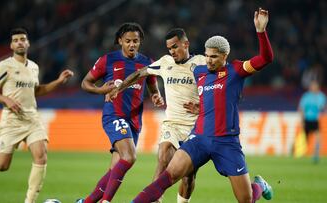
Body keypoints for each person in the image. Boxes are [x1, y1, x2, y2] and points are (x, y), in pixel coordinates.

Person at [130, 8, 274, 203]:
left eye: (214, 57)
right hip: (199, 139)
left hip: (227, 143)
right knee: (166, 177)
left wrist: (260, 32)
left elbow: (266, 58)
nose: (208, 60)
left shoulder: (237, 70)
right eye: (206, 56)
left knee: (246, 200)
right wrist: (199, 108)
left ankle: (259, 186)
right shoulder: (199, 72)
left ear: (225, 56)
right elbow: (207, 96)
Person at [0, 28, 74, 203]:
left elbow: (37, 91)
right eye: (16, 40)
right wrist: (6, 100)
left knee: (41, 155)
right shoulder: (5, 66)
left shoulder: (34, 67)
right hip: (12, 120)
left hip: (32, 118)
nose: (20, 42)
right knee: (1, 166)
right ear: (11, 45)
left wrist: (58, 81)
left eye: (23, 39)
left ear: (28, 43)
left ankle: (29, 201)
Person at [106, 28, 206, 203]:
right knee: (163, 155)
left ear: (186, 44)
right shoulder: (165, 62)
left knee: (188, 176)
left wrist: (203, 106)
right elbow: (139, 73)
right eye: (169, 48)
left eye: (175, 47)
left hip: (195, 127)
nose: (172, 52)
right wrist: (118, 89)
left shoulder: (202, 63)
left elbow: (219, 88)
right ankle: (154, 201)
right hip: (172, 124)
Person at [77, 22, 164, 203]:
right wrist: (101, 90)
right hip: (114, 115)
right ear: (120, 41)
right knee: (130, 157)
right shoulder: (108, 60)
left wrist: (156, 95)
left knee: (116, 168)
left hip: (134, 120)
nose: (132, 45)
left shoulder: (147, 62)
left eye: (135, 41)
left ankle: (86, 202)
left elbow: (152, 84)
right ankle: (106, 201)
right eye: (128, 41)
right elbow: (85, 83)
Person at [298, 80, 326, 163]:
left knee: (318, 137)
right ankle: (301, 153)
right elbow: (302, 108)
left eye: (314, 86)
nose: (313, 88)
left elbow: (323, 108)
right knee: (305, 138)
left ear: (318, 87)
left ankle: (316, 155)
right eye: (312, 86)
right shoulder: (306, 96)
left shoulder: (321, 96)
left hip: (316, 120)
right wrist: (302, 120)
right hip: (307, 119)